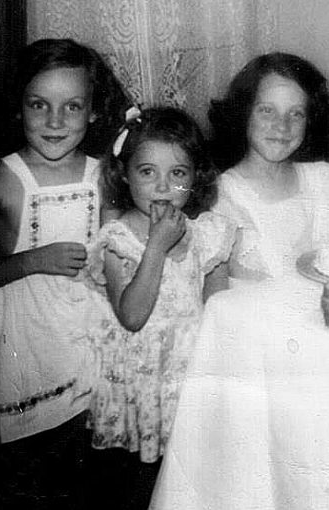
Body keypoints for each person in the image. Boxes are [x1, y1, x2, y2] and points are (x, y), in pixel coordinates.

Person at [0, 38, 128, 508]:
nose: (56, 122)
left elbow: (115, 252)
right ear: (19, 107)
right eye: (40, 105)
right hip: (24, 344)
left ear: (94, 112)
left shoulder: (106, 177)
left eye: (72, 106)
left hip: (85, 338)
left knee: (82, 461)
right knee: (26, 467)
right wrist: (33, 260)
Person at [88, 106, 235, 507]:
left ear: (195, 179)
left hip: (190, 377)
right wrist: (156, 245)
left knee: (191, 477)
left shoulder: (206, 232)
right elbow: (132, 316)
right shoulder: (118, 239)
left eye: (178, 173)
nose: (163, 187)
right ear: (124, 174)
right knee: (144, 482)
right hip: (144, 382)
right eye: (147, 171)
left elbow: (219, 308)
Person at [208, 52, 329, 279]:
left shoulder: (327, 181)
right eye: (267, 110)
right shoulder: (223, 197)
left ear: (310, 120)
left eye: (296, 114)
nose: (282, 126)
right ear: (244, 113)